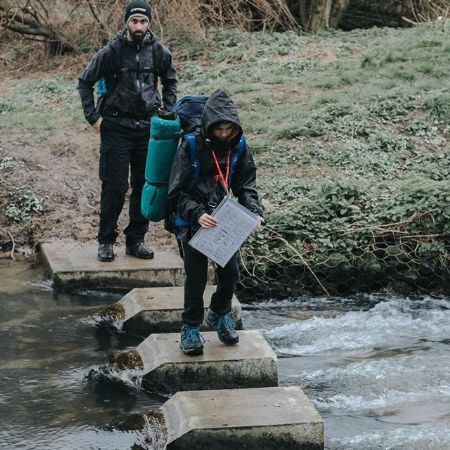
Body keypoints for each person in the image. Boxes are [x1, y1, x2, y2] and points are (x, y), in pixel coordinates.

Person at [78, 1, 177, 262]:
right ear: (126, 23)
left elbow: (170, 81)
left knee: (144, 185)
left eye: (143, 22)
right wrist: (93, 118)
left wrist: (167, 112)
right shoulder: (111, 52)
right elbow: (85, 81)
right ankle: (106, 241)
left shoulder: (159, 51)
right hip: (116, 127)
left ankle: (136, 240)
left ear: (149, 23)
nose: (138, 26)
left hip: (148, 129)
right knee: (114, 186)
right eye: (134, 21)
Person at [166, 90, 263, 355]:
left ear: (235, 127)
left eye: (228, 129)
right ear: (209, 126)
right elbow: (176, 192)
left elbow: (246, 183)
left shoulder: (238, 145)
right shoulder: (190, 145)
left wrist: (253, 210)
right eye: (218, 129)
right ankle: (190, 327)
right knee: (196, 277)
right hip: (191, 220)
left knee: (231, 272)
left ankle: (220, 314)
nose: (222, 134)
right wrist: (197, 214)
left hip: (224, 218)